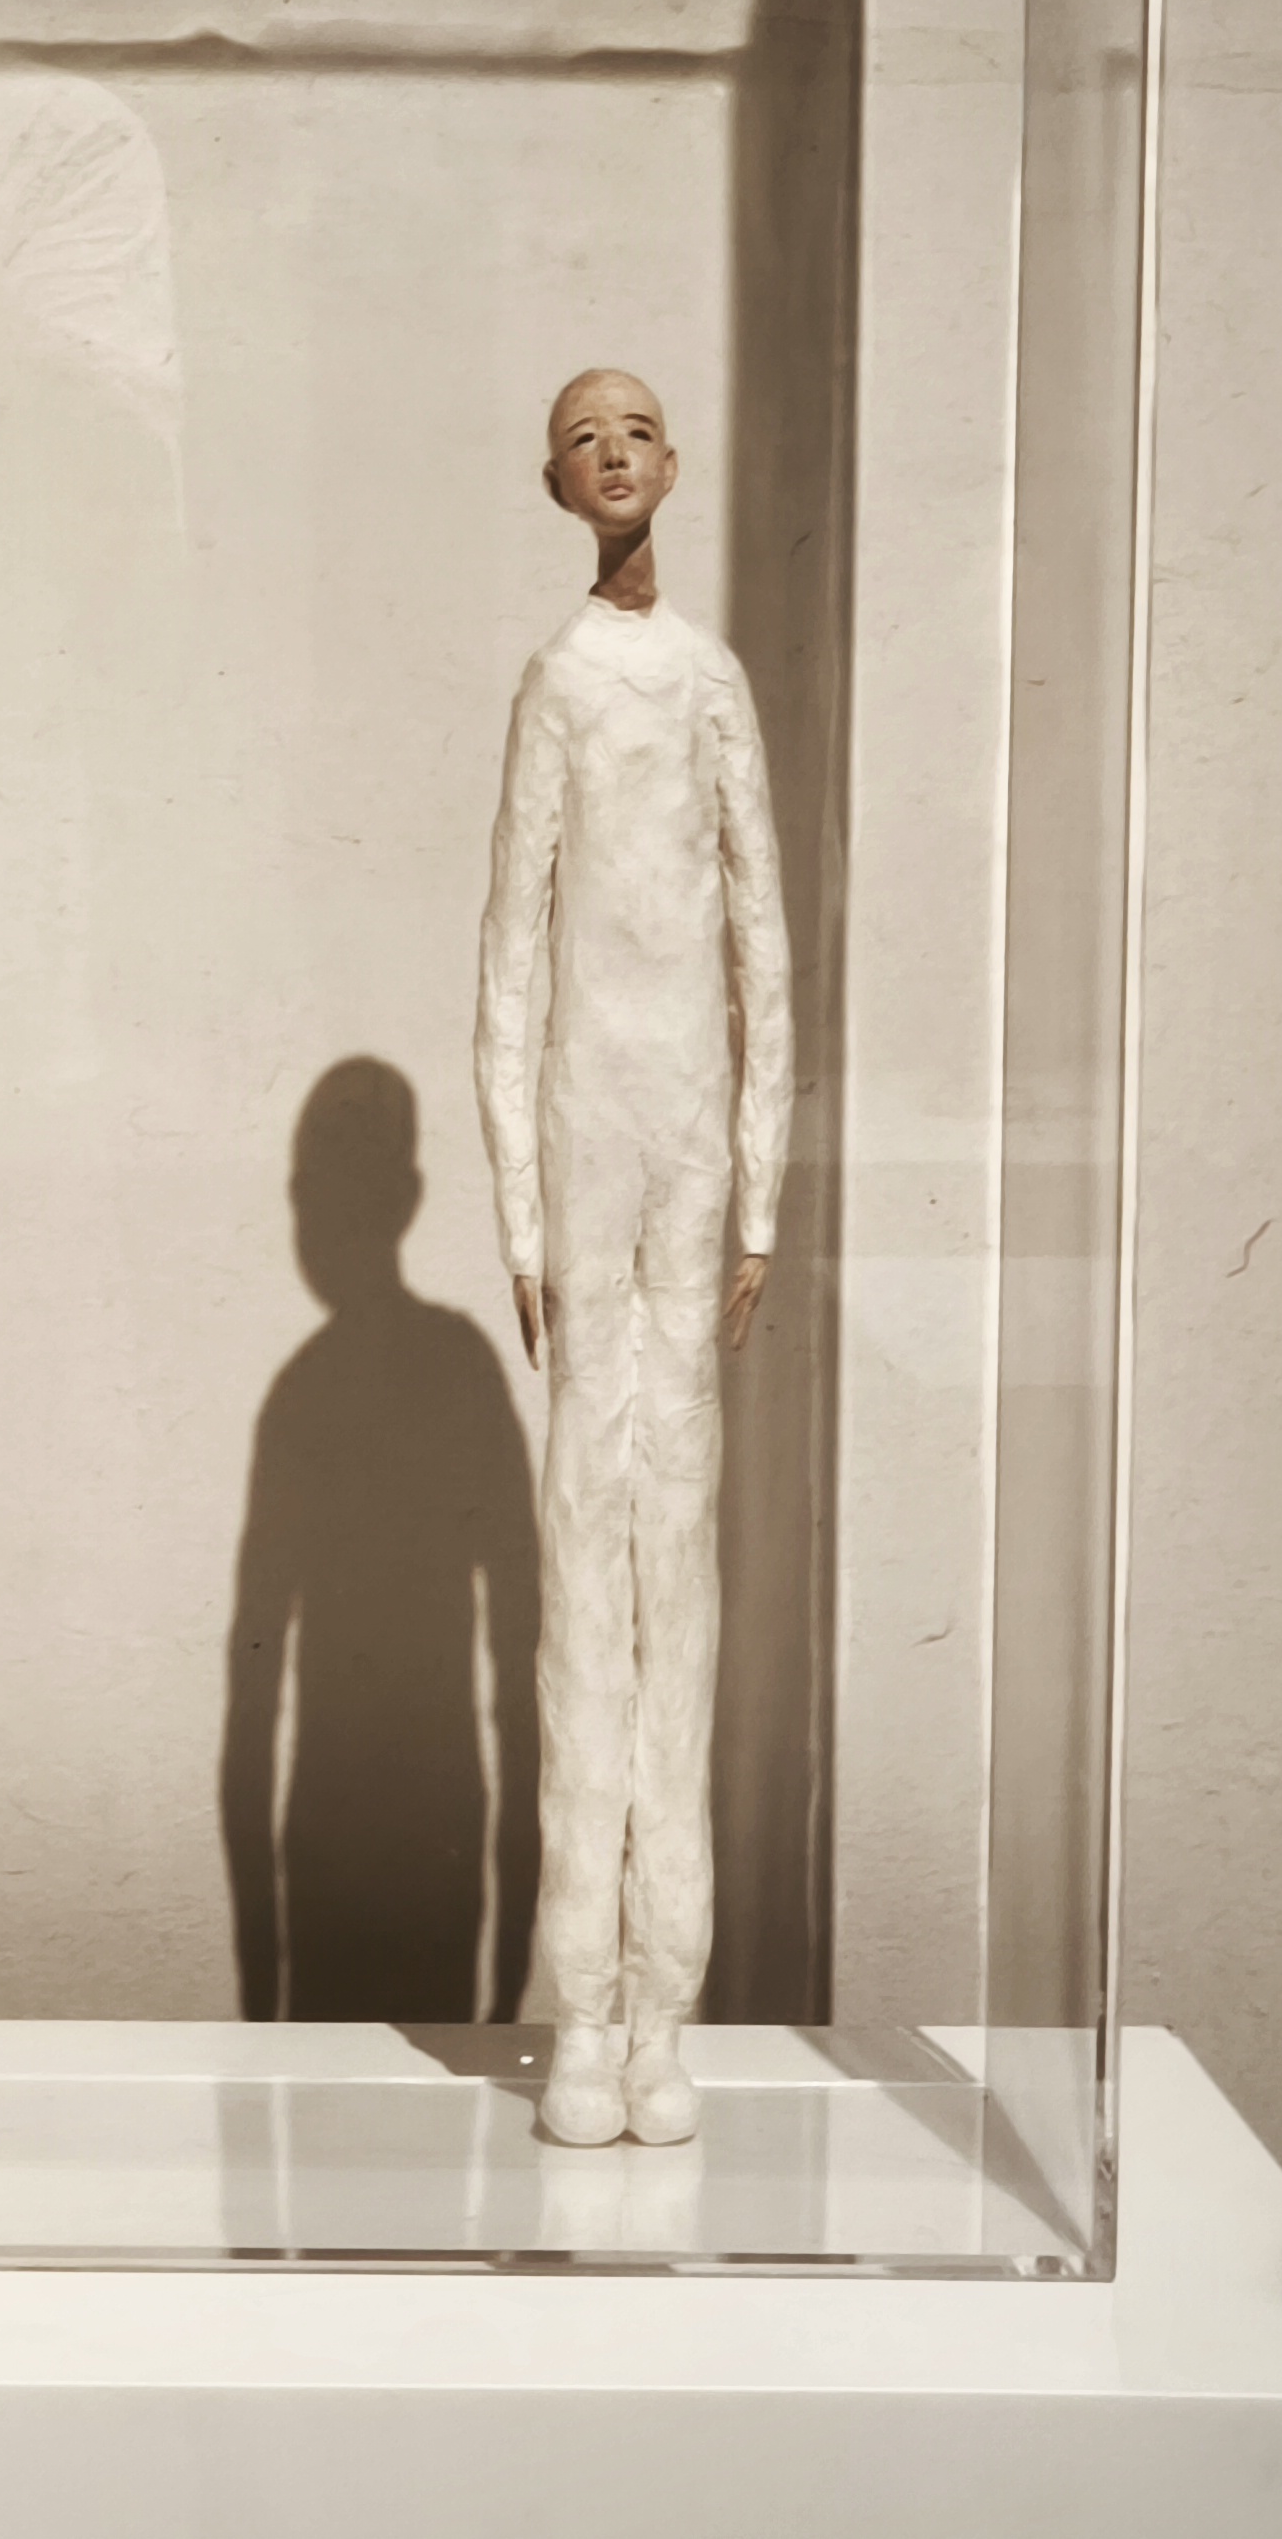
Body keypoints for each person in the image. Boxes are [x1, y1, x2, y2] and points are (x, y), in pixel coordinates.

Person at [472, 367, 791, 2150]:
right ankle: (582, 2016)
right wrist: (521, 1217)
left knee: (686, 1565)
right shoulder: (561, 684)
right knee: (584, 1566)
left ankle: (666, 2016)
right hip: (591, 1153)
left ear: (674, 463)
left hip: (687, 1165)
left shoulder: (712, 683)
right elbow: (509, 952)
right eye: (585, 437)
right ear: (556, 481)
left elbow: (763, 942)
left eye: (638, 432)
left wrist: (759, 1202)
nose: (614, 454)